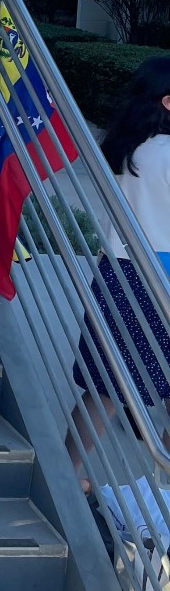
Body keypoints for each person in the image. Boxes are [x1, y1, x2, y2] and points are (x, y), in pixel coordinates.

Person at [74, 57, 170, 430]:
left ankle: (73, 471)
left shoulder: (128, 149)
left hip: (121, 271)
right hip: (161, 273)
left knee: (107, 387)